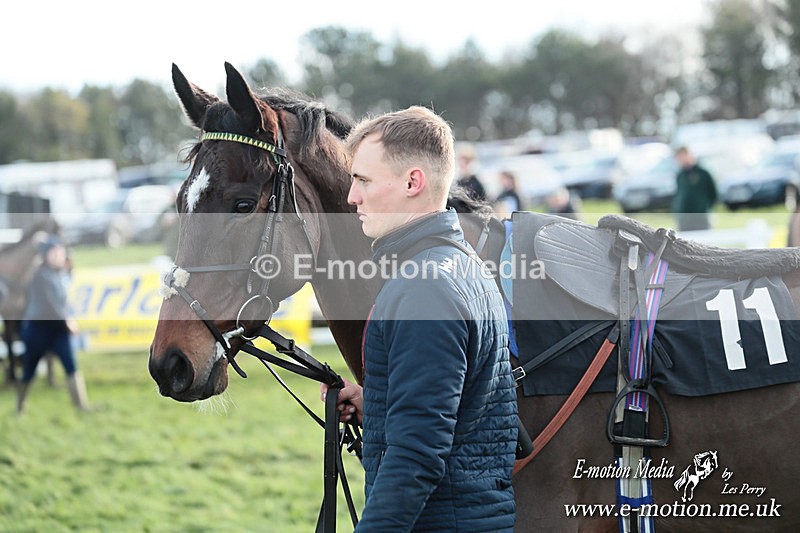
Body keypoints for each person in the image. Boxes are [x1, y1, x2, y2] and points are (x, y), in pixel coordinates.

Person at [322, 106, 518, 531]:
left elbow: (417, 455)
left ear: (414, 182)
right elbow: (458, 411)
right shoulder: (458, 264)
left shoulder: (426, 287)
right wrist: (375, 403)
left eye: (363, 181)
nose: (352, 196)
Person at [16, 236, 89, 414]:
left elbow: (63, 302)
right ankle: (20, 407)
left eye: (61, 252)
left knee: (71, 366)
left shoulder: (61, 273)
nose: (59, 256)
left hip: (58, 331)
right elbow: (52, 305)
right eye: (54, 252)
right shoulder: (39, 275)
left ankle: (81, 407)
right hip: (37, 330)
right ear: (45, 255)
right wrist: (68, 321)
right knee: (29, 370)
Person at [672, 146, 717, 231]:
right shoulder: (680, 175)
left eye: (682, 156)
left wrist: (703, 207)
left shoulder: (703, 173)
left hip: (700, 217)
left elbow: (713, 194)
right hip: (684, 219)